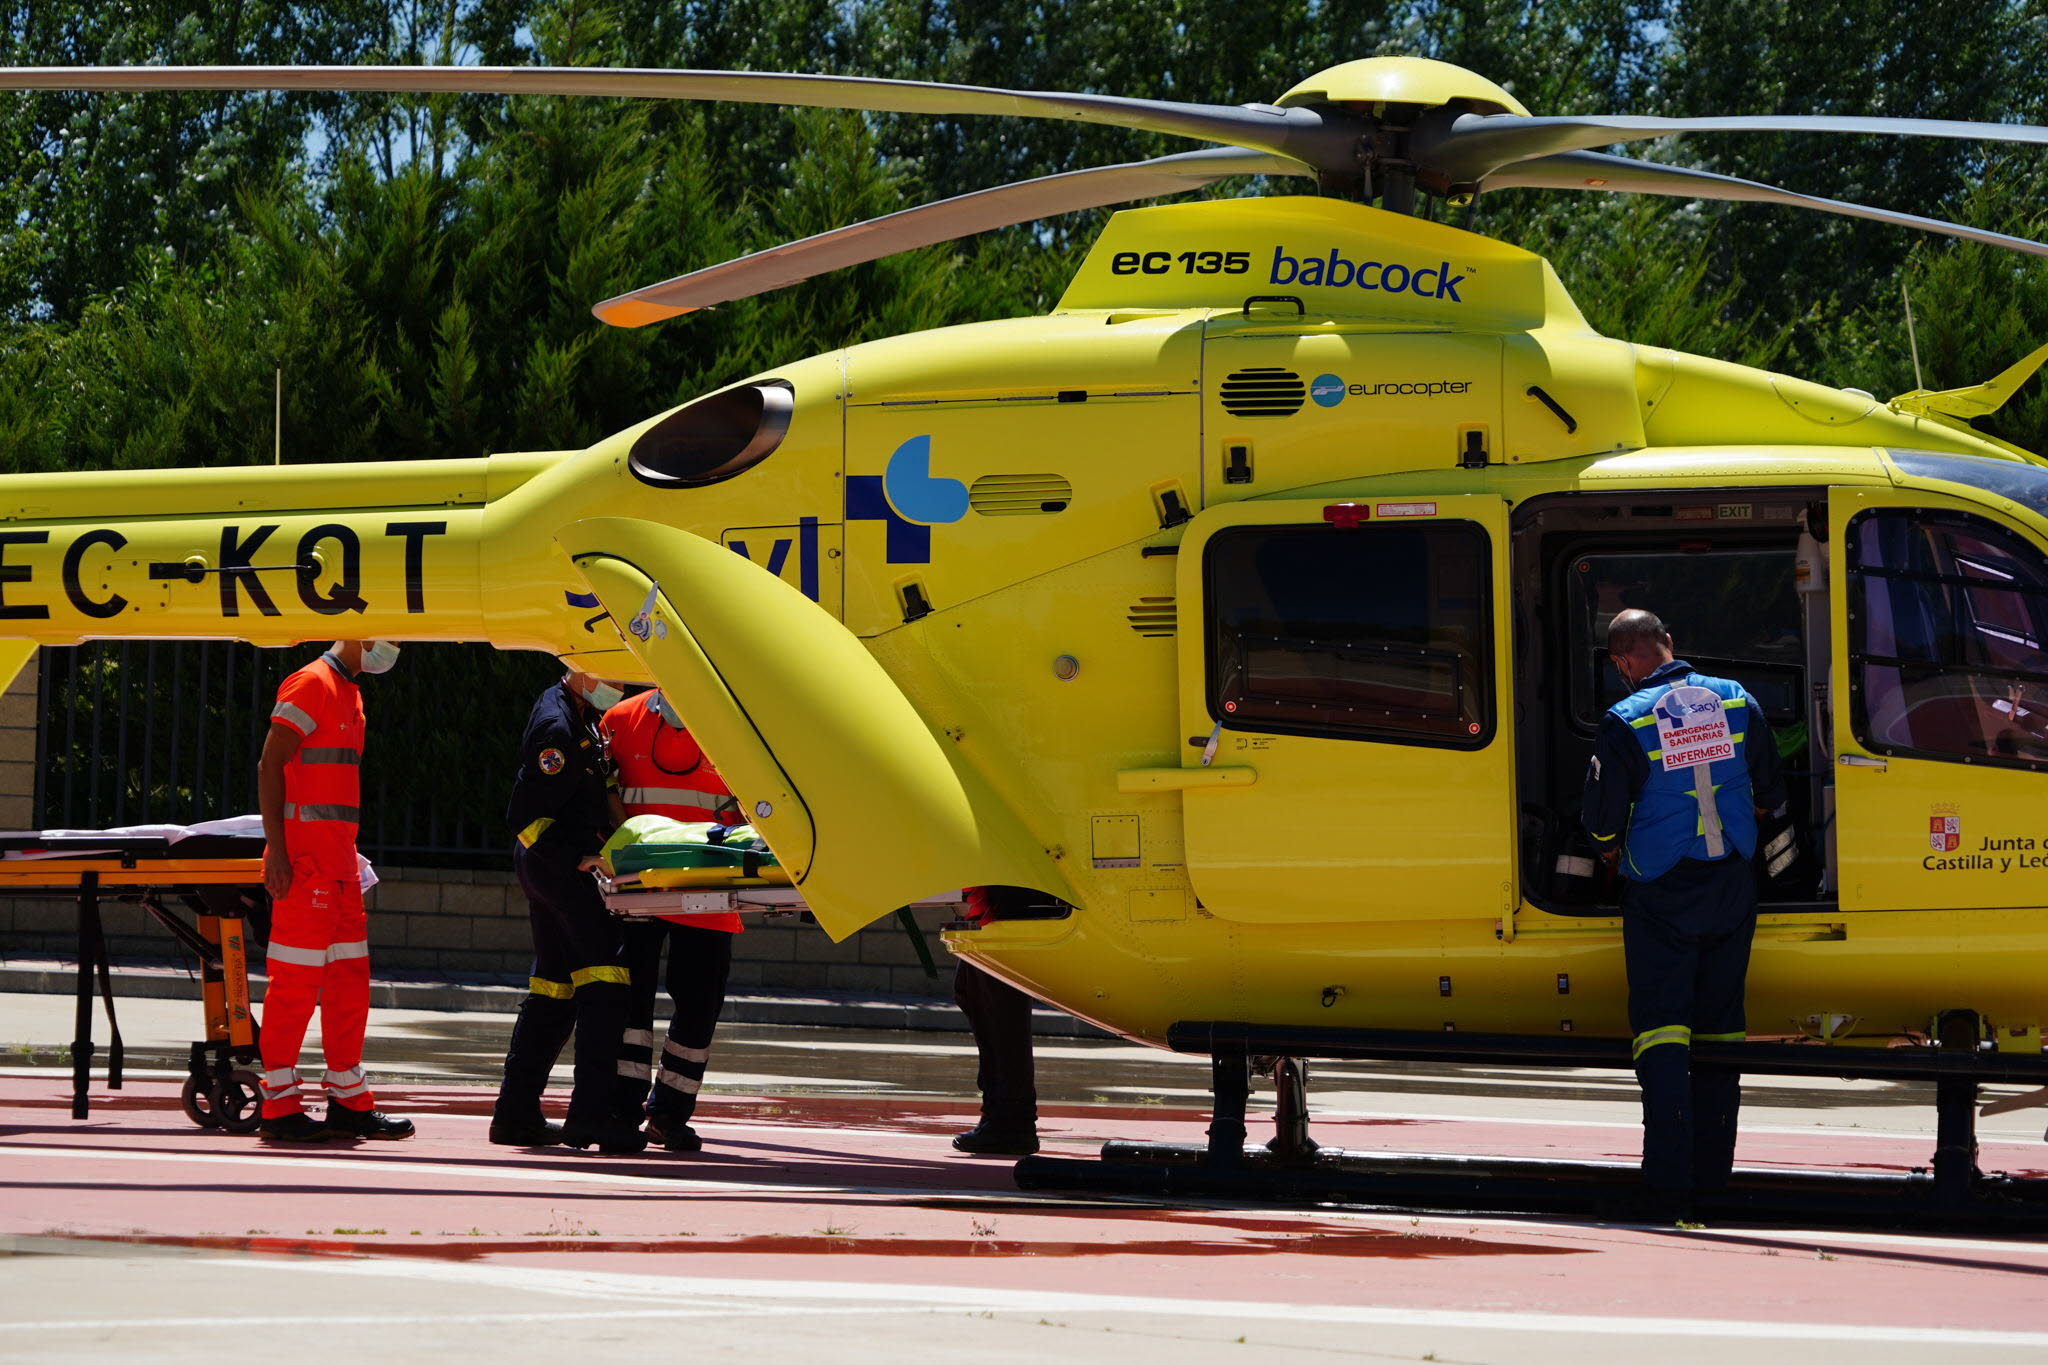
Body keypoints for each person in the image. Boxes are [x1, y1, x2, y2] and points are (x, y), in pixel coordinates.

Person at [1582, 609, 1787, 1216]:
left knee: (1662, 1029)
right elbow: (1772, 791)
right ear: (1670, 643)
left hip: (1661, 889)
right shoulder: (1737, 700)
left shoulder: (1626, 719)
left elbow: (1600, 820)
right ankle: (1714, 1179)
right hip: (1732, 881)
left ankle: (1669, 1184)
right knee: (1722, 1028)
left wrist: (1606, 853)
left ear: (1624, 661)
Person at [255, 639, 413, 1142]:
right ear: (357, 632)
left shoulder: (347, 690)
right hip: (306, 868)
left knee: (349, 988)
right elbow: (269, 765)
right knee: (295, 987)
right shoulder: (312, 684)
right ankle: (278, 1108)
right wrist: (277, 852)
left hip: (337, 867)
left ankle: (348, 1101)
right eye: (390, 634)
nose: (394, 645)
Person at [488, 669, 644, 1154]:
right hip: (559, 867)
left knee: (554, 988)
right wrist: (577, 858)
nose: (617, 685)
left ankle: (516, 1115)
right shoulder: (557, 727)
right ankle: (591, 1119)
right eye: (610, 676)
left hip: (554, 867)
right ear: (577, 669)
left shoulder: (580, 715)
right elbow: (524, 817)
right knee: (608, 981)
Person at [601, 687, 742, 1153]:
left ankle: (668, 1113)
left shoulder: (739, 724)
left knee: (699, 1003)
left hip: (707, 887)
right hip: (642, 887)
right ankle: (624, 1110)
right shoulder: (622, 720)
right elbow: (601, 794)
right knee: (630, 1002)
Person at [950, 887, 1040, 1155]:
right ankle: (1005, 1115)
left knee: (996, 1003)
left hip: (1011, 900)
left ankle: (1009, 1119)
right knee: (973, 989)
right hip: (1003, 899)